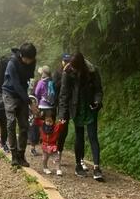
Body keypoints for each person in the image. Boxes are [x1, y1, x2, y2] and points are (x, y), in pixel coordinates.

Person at [59, 52, 104, 181]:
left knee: (93, 136)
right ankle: (78, 165)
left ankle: (96, 167)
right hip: (76, 107)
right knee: (79, 137)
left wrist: (97, 101)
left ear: (81, 65)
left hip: (89, 107)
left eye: (75, 67)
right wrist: (62, 114)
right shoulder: (67, 72)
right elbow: (63, 95)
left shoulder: (92, 71)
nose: (72, 68)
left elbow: (98, 90)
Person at [2, 42, 37, 167]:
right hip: (9, 93)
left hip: (22, 94)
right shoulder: (12, 63)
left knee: (24, 125)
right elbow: (16, 84)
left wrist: (31, 99)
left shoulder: (32, 61)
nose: (29, 61)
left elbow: (31, 80)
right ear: (22, 55)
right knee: (11, 123)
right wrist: (29, 102)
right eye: (28, 59)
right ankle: (14, 155)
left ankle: (21, 155)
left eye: (31, 59)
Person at [34, 110, 65, 175]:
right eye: (47, 121)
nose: (48, 123)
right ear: (45, 120)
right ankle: (45, 168)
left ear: (53, 121)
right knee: (44, 158)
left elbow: (60, 127)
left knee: (57, 158)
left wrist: (62, 123)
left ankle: (58, 169)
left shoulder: (55, 127)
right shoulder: (42, 124)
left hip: (53, 146)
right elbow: (36, 121)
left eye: (50, 121)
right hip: (45, 145)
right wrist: (37, 115)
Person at [53, 53, 71, 165]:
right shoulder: (58, 72)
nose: (67, 63)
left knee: (66, 129)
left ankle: (59, 151)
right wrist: (64, 74)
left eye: (69, 61)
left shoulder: (73, 71)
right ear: (62, 61)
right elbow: (55, 86)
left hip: (72, 104)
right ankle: (58, 152)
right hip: (61, 104)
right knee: (62, 128)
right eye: (65, 61)